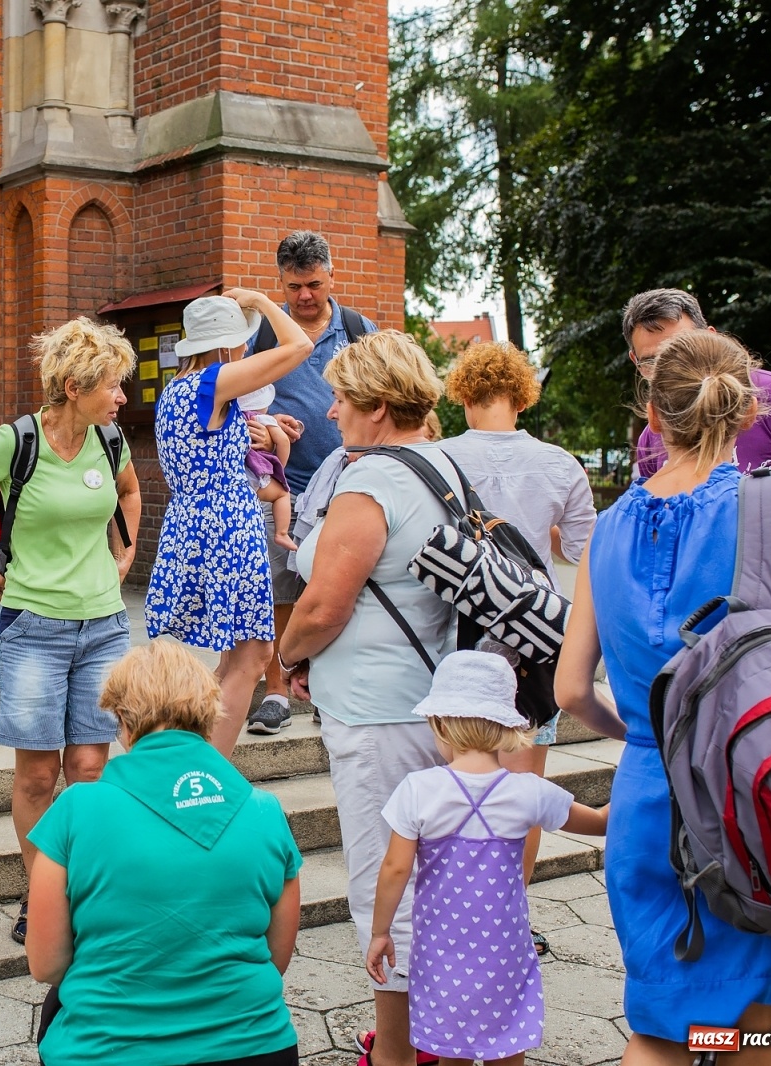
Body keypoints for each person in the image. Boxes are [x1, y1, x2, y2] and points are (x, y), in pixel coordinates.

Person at [556, 329, 771, 1066]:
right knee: (755, 1035)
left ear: (651, 416)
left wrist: (646, 733)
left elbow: (569, 689)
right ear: (748, 411)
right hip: (753, 799)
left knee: (662, 1032)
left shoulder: (611, 522)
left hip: (648, 797)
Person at [0, 317, 142, 944]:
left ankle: (88, 892)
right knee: (39, 776)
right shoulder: (15, 441)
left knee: (91, 768)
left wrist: (123, 554)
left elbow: (129, 493)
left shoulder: (110, 443)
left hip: (104, 624)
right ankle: (43, 897)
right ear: (74, 386)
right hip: (33, 625)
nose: (121, 397)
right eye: (112, 385)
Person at [276, 330, 458, 1066]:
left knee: (384, 881)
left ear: (379, 406)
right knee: (430, 875)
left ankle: (397, 1051)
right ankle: (428, 1032)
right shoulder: (442, 464)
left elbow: (324, 608)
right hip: (429, 696)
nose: (331, 408)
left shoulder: (371, 481)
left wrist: (286, 657)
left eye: (344, 396)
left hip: (377, 710)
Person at [26, 639, 303, 1066]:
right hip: (255, 1046)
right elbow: (277, 957)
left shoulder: (75, 810)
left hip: (108, 1049)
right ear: (209, 714)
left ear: (121, 720)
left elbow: (46, 964)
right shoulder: (266, 812)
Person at [367, 650, 609, 1066]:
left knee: (451, 1054)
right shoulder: (529, 791)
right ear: (507, 725)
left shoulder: (418, 789)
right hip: (506, 951)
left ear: (439, 724)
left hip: (440, 952)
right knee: (506, 1047)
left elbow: (396, 868)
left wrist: (380, 932)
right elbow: (602, 823)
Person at [437, 341, 597, 915]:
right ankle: (513, 915)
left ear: (462, 393)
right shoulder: (560, 464)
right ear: (523, 397)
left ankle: (457, 909)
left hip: (456, 638)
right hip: (535, 640)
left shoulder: (440, 459)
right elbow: (585, 556)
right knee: (523, 791)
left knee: (454, 784)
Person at [144, 290, 313, 753]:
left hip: (197, 522)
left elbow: (210, 452)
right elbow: (300, 346)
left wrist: (269, 425)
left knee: (238, 657)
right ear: (224, 347)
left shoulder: (180, 390)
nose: (244, 350)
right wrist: (260, 298)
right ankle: (208, 772)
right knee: (252, 655)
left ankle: (195, 763)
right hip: (225, 528)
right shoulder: (211, 382)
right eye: (240, 341)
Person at [624, 288, 771, 590]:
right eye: (652, 361)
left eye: (681, 347)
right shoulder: (651, 437)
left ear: (710, 336)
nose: (672, 368)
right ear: (634, 361)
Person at [245, 231, 379, 735]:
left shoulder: (358, 329)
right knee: (279, 588)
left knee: (339, 588)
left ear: (331, 276)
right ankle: (276, 692)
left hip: (350, 485)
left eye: (314, 285)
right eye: (295, 286)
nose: (305, 295)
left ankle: (329, 689)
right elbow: (237, 399)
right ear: (280, 280)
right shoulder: (262, 333)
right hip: (281, 484)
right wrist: (265, 427)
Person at [239, 381, 299, 553]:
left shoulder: (231, 418)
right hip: (255, 476)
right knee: (282, 493)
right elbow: (284, 441)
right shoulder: (261, 419)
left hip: (235, 477)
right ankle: (281, 533)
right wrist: (279, 467)